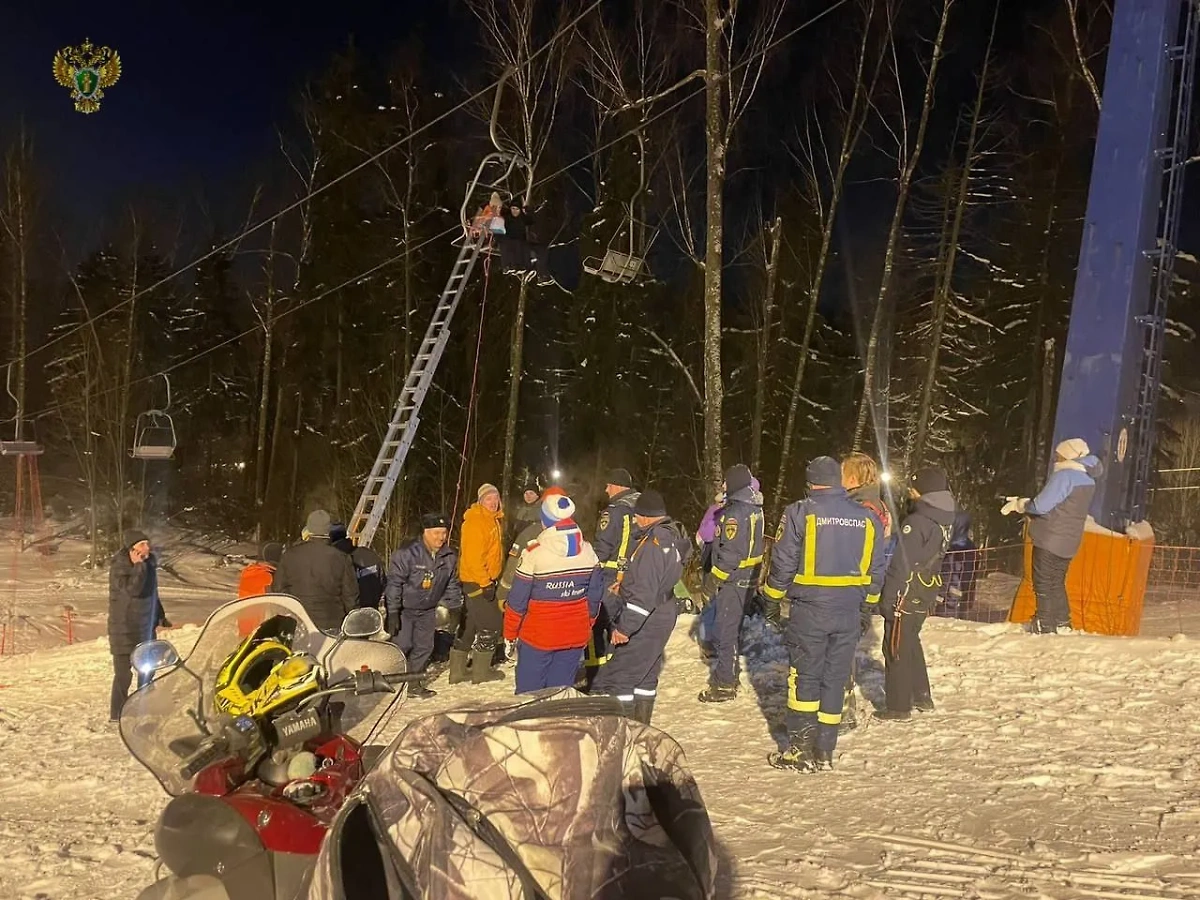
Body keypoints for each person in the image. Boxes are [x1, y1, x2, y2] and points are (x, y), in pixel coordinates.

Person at [762, 457, 885, 772]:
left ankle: (800, 750)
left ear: (810, 481)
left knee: (805, 678)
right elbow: (876, 569)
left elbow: (784, 561)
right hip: (849, 611)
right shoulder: (868, 518)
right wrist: (867, 606)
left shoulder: (800, 513)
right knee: (834, 678)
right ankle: (824, 749)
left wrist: (772, 598)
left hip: (810, 611)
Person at [591, 490, 691, 724]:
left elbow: (644, 595)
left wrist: (624, 629)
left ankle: (623, 735)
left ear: (645, 516)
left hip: (649, 617)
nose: (635, 521)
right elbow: (656, 580)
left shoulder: (652, 544)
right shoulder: (670, 536)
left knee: (621, 677)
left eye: (637, 516)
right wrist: (625, 585)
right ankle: (641, 732)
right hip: (663, 610)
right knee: (645, 677)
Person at [875, 467, 956, 721]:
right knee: (910, 639)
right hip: (926, 588)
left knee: (896, 645)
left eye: (914, 487)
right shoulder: (944, 518)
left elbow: (902, 564)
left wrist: (889, 598)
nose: (910, 491)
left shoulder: (917, 522)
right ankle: (921, 695)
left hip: (906, 590)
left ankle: (898, 706)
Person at [504, 493, 604, 693]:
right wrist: (588, 623)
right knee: (559, 692)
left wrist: (510, 633)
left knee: (529, 693)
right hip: (574, 635)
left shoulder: (534, 553)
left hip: (538, 636)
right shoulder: (588, 551)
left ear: (546, 520)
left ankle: (529, 723)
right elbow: (595, 596)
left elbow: (517, 600)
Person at [1002, 438, 1103, 634]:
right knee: (1057, 581)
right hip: (1070, 540)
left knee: (1044, 582)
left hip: (1050, 538)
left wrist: (1021, 505)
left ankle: (1044, 623)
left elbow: (1041, 506)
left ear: (1069, 455)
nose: (1056, 458)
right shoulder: (1088, 480)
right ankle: (1062, 622)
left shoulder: (1065, 476)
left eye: (1059, 454)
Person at [699, 464, 764, 703]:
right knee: (731, 629)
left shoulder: (735, 514)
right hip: (747, 579)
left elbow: (730, 555)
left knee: (725, 632)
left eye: (726, 482)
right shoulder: (754, 508)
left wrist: (713, 579)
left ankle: (725, 683)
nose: (723, 487)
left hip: (735, 580)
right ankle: (727, 676)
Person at [840, 452, 893, 731]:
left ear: (851, 478)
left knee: (839, 647)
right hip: (863, 584)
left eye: (842, 473)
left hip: (851, 584)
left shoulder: (860, 509)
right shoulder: (880, 506)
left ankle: (842, 710)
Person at [385, 513, 464, 698]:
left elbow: (451, 584)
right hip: (405, 609)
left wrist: (454, 608)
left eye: (444, 533)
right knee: (402, 645)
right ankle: (390, 680)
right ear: (425, 532)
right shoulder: (408, 553)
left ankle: (413, 684)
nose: (441, 537)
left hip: (428, 610)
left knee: (424, 648)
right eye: (436, 533)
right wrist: (393, 612)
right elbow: (394, 583)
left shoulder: (449, 556)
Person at [587, 468, 642, 686]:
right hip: (633, 576)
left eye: (609, 485)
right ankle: (621, 671)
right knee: (621, 625)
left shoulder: (615, 510)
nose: (606, 489)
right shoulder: (640, 509)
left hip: (610, 576)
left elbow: (604, 546)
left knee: (597, 623)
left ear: (617, 486)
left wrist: (590, 566)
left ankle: (597, 677)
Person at [108, 530, 168, 722]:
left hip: (144, 626)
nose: (147, 548)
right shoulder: (120, 566)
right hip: (123, 627)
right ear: (131, 549)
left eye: (147, 543)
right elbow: (133, 589)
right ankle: (117, 714)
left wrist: (159, 614)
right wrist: (139, 566)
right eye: (142, 544)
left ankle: (143, 707)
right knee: (123, 674)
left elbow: (152, 593)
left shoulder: (149, 564)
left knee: (148, 669)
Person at [270, 510, 359, 632]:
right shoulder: (341, 558)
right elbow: (350, 597)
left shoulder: (290, 555)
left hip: (298, 623)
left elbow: (278, 589)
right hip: (331, 624)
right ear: (328, 531)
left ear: (309, 529)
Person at [452, 483, 506, 684]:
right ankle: (481, 672)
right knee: (491, 624)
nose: (493, 502)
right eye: (488, 498)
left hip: (481, 580)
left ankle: (456, 673)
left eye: (495, 498)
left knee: (471, 625)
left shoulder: (492, 520)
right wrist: (486, 583)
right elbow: (473, 558)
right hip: (477, 582)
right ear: (480, 500)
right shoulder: (476, 521)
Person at [330, 523, 387, 612]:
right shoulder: (370, 555)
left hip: (350, 617)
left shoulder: (337, 561)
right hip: (372, 613)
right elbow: (383, 583)